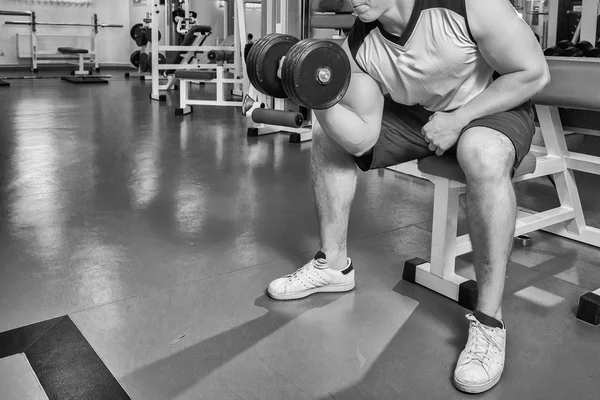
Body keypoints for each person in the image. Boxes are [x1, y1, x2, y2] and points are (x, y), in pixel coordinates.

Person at [267, 0, 550, 394]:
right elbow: (363, 135)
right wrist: (317, 96)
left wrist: (458, 120)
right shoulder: (360, 45)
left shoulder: (469, 5)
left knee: (482, 155)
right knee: (327, 137)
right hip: (421, 117)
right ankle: (333, 267)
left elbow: (533, 72)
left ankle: (489, 321)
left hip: (489, 107)